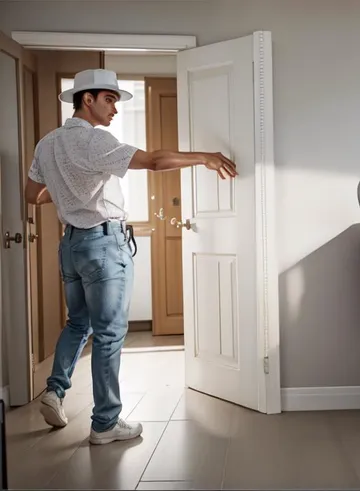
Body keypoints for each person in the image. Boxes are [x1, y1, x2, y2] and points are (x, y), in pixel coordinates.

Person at [24, 69, 237, 445]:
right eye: (109, 100)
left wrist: (67, 191)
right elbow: (153, 161)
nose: (115, 110)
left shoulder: (47, 144)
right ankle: (105, 423)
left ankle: (55, 390)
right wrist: (204, 156)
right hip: (103, 244)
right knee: (109, 334)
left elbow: (32, 194)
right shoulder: (94, 141)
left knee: (78, 324)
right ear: (86, 99)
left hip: (70, 246)